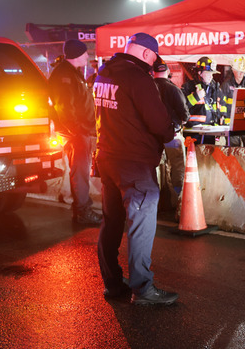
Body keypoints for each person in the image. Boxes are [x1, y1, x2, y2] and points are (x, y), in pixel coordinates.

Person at [94, 32, 179, 305]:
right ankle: (143, 289)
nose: (154, 64)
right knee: (140, 225)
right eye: (154, 58)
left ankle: (113, 284)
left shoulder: (104, 72)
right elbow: (159, 123)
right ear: (145, 54)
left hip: (108, 156)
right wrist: (169, 131)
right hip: (134, 163)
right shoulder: (139, 78)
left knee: (111, 222)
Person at [47, 39, 102, 225]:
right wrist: (77, 131)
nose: (88, 56)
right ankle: (83, 211)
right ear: (77, 54)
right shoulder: (65, 75)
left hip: (80, 131)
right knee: (80, 172)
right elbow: (64, 108)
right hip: (76, 133)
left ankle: (81, 209)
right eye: (85, 53)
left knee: (81, 172)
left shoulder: (71, 73)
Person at [152, 59, 189, 216]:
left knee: (155, 169)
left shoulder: (147, 88)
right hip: (173, 135)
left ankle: (157, 203)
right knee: (178, 167)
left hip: (152, 137)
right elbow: (184, 113)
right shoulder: (173, 89)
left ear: (153, 72)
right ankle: (177, 203)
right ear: (167, 72)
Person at [218, 56, 245, 146]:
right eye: (238, 71)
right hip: (231, 123)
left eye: (243, 72)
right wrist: (222, 117)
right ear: (233, 70)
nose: (241, 74)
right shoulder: (226, 85)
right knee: (234, 146)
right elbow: (222, 103)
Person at [182, 56, 220, 128]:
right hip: (193, 131)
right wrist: (196, 97)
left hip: (211, 130)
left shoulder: (213, 88)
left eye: (212, 74)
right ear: (200, 73)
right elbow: (181, 108)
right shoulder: (188, 87)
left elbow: (217, 109)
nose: (211, 77)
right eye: (208, 73)